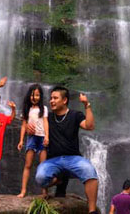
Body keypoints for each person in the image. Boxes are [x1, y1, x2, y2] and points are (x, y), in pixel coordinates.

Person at [34, 86, 98, 214]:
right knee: (40, 178)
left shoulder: (75, 115)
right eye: (51, 98)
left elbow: (89, 126)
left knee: (89, 171)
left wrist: (87, 105)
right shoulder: (47, 118)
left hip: (73, 158)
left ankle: (92, 210)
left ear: (64, 100)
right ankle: (60, 180)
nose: (51, 101)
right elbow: (32, 124)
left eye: (55, 98)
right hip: (52, 160)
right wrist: (30, 128)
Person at [17, 84, 50, 198]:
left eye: (37, 95)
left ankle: (44, 192)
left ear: (40, 96)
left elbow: (46, 122)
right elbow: (23, 125)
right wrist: (21, 140)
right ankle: (23, 190)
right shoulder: (27, 109)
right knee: (28, 164)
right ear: (29, 96)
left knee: (43, 166)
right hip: (31, 138)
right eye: (32, 95)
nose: (34, 97)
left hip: (41, 138)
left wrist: (47, 136)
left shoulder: (44, 109)